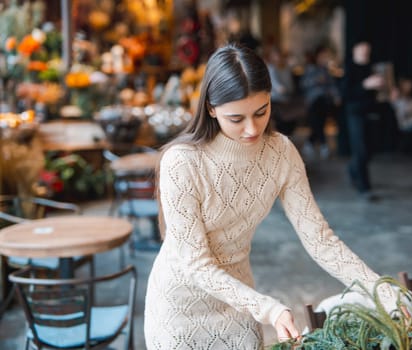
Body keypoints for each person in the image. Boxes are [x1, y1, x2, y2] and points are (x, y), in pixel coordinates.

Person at [144, 43, 398, 349]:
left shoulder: (281, 153)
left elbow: (320, 239)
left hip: (240, 306)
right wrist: (269, 309)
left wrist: (381, 290)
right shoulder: (182, 162)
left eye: (261, 112)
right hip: (179, 311)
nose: (252, 129)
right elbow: (196, 265)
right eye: (236, 119)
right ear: (211, 108)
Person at [343, 41, 385, 200]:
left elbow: (381, 92)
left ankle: (353, 170)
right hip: (355, 113)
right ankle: (364, 188)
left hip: (372, 112)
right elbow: (346, 94)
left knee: (370, 150)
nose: (365, 52)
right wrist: (364, 85)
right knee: (360, 150)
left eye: (367, 50)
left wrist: (389, 90)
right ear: (355, 50)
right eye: (362, 50)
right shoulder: (349, 69)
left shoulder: (373, 67)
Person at [301, 45, 341, 159]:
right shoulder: (310, 68)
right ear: (318, 56)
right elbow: (303, 84)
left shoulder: (326, 71)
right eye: (324, 56)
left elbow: (332, 86)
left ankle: (310, 143)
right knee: (319, 112)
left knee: (318, 120)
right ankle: (323, 144)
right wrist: (316, 80)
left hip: (324, 100)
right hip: (313, 100)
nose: (326, 59)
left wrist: (336, 96)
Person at [265, 45, 301, 136]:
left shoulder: (287, 68)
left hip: (287, 97)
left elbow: (290, 85)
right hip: (275, 98)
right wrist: (282, 89)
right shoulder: (271, 68)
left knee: (293, 114)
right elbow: (276, 85)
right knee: (280, 117)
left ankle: (287, 136)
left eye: (279, 55)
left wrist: (286, 90)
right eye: (275, 55)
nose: (277, 58)